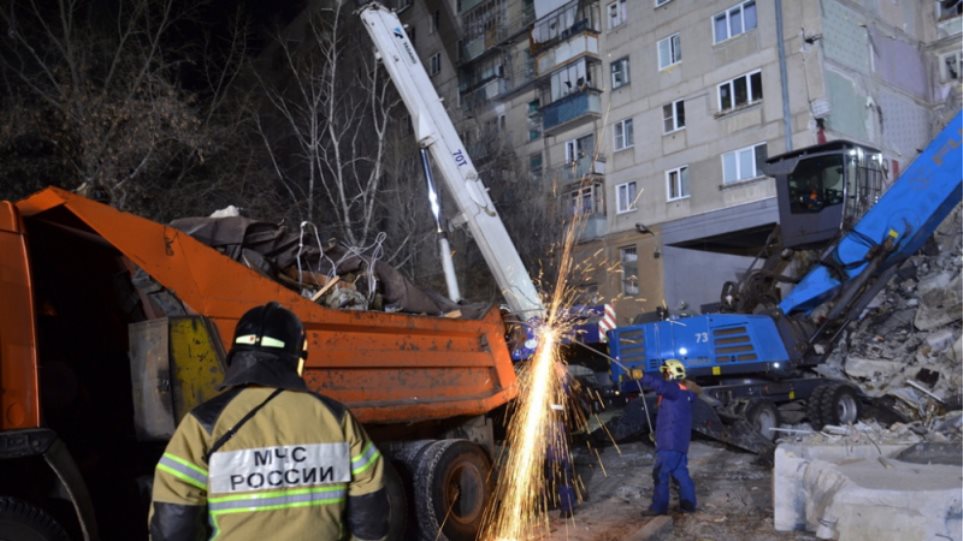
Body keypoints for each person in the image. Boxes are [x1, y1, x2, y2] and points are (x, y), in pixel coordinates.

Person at [149, 302, 388, 541]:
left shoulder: (203, 423)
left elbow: (174, 521)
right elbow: (371, 512)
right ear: (296, 358)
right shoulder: (336, 417)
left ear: (236, 355)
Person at [639, 359, 697, 517]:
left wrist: (642, 376)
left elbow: (660, 385)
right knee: (680, 473)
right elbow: (672, 417)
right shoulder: (685, 393)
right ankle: (688, 505)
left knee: (660, 474)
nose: (663, 375)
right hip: (679, 443)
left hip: (669, 443)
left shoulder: (673, 390)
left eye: (665, 372)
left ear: (672, 373)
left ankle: (659, 508)